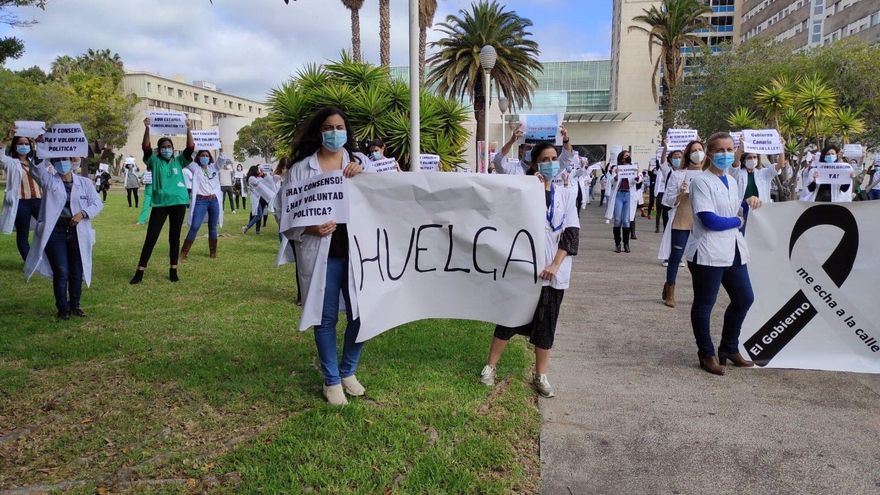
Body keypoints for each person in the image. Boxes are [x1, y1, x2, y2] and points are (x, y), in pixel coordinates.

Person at [279, 107, 367, 406]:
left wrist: (363, 172)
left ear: (347, 130)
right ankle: (331, 381)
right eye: (328, 127)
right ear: (319, 131)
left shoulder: (361, 163)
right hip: (322, 254)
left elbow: (387, 195)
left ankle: (348, 371)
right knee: (325, 318)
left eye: (339, 127)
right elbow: (285, 212)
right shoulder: (301, 169)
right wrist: (309, 227)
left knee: (363, 313)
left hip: (359, 253)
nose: (334, 133)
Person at [480, 140, 580, 398]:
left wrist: (555, 265)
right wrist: (537, 187)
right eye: (544, 160)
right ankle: (489, 367)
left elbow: (571, 233)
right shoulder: (526, 190)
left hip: (554, 274)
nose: (549, 164)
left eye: (552, 159)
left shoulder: (567, 193)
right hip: (525, 271)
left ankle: (540, 375)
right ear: (535, 163)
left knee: (547, 326)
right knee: (509, 319)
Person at [685, 132, 756, 376]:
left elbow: (737, 211)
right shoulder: (701, 181)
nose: (726, 154)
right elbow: (709, 220)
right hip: (708, 251)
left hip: (733, 249)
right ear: (710, 153)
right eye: (720, 150)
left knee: (744, 298)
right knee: (705, 304)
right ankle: (706, 353)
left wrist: (750, 203)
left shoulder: (733, 181)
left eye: (730, 149)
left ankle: (729, 347)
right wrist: (736, 221)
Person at [23, 153, 103, 320]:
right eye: (58, 160)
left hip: (77, 230)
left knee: (76, 270)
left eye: (65, 159)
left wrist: (83, 213)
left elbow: (97, 203)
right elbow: (36, 168)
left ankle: (75, 305)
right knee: (61, 270)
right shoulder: (49, 180)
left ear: (72, 161)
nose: (62, 163)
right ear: (53, 162)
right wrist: (39, 150)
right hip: (55, 231)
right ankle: (62, 308)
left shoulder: (85, 183)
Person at [129, 117, 194, 284]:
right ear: (159, 150)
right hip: (160, 204)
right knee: (151, 238)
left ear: (173, 149)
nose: (166, 149)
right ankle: (140, 271)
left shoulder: (179, 161)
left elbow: (190, 147)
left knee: (174, 237)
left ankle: (173, 270)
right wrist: (147, 128)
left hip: (178, 203)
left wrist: (188, 129)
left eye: (169, 147)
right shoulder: (153, 160)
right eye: (163, 147)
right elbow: (145, 147)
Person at [658, 139, 704, 308]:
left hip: (704, 221)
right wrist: (679, 194)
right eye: (694, 150)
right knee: (676, 258)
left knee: (701, 260)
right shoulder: (679, 174)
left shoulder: (709, 174)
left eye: (700, 149)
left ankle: (701, 294)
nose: (697, 153)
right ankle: (669, 291)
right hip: (682, 220)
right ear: (687, 154)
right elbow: (668, 201)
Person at [1, 127, 42, 261]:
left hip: (38, 201)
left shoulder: (35, 161)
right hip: (21, 203)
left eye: (26, 143)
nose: (24, 146)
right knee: (22, 234)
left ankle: (47, 258)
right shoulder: (11, 162)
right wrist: (6, 139)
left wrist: (41, 142)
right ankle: (30, 262)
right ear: (15, 146)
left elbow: (47, 159)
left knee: (49, 228)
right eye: (20, 143)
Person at [731, 146, 787, 231]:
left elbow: (780, 165)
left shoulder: (764, 173)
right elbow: (735, 163)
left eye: (754, 157)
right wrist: (740, 148)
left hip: (761, 212)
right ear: (744, 160)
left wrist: (781, 148)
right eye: (749, 157)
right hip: (743, 211)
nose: (752, 159)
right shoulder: (738, 173)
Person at [180, 149, 223, 260]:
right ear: (198, 157)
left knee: (213, 226)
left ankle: (213, 252)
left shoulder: (214, 168)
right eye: (202, 155)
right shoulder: (195, 168)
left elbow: (221, 161)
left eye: (207, 155)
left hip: (214, 201)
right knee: (195, 226)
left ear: (210, 158)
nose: (205, 157)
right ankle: (184, 252)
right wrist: (192, 147)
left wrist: (221, 150)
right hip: (200, 200)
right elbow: (186, 158)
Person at [604, 150, 637, 253]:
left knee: (626, 220)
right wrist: (617, 175)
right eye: (626, 156)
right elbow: (612, 181)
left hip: (628, 195)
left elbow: (638, 179)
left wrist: (637, 177)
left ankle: (626, 244)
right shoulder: (616, 168)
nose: (627, 157)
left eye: (629, 156)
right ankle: (617, 244)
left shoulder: (633, 168)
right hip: (618, 194)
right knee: (618, 219)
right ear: (622, 158)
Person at [241, 165, 269, 235]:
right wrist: (262, 175)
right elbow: (259, 183)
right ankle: (246, 227)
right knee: (259, 215)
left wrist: (263, 175)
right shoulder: (251, 178)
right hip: (256, 198)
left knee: (259, 215)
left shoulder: (255, 177)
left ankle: (257, 231)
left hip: (260, 198)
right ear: (254, 171)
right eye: (257, 170)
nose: (258, 171)